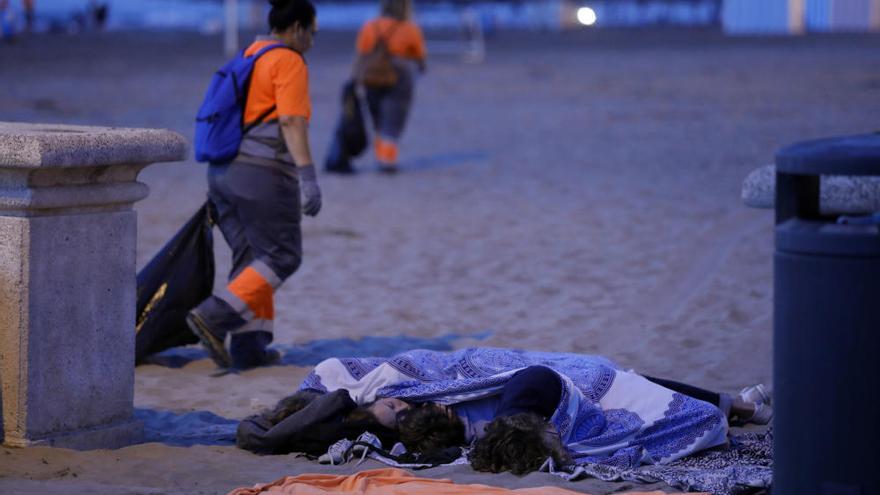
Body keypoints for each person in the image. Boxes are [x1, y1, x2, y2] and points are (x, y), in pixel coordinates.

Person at [286, 348, 771, 473]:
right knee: (627, 386)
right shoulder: (466, 431)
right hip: (567, 399)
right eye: (397, 408)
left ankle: (739, 405)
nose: (403, 402)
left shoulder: (429, 407)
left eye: (393, 400)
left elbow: (331, 379)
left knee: (615, 375)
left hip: (554, 381)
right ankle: (742, 406)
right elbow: (533, 386)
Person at [187, 0, 322, 371]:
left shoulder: (251, 53)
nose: (312, 40)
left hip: (220, 173)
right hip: (261, 173)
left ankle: (249, 348)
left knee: (251, 261)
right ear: (297, 28)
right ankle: (213, 317)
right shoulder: (288, 60)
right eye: (312, 32)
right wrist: (308, 177)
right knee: (282, 256)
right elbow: (292, 122)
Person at [348, 0, 427, 174]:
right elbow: (419, 56)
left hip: (372, 74)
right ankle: (387, 160)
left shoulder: (370, 27)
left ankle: (380, 155)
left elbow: (361, 54)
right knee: (393, 119)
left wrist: (355, 78)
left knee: (377, 118)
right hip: (400, 75)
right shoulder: (410, 29)